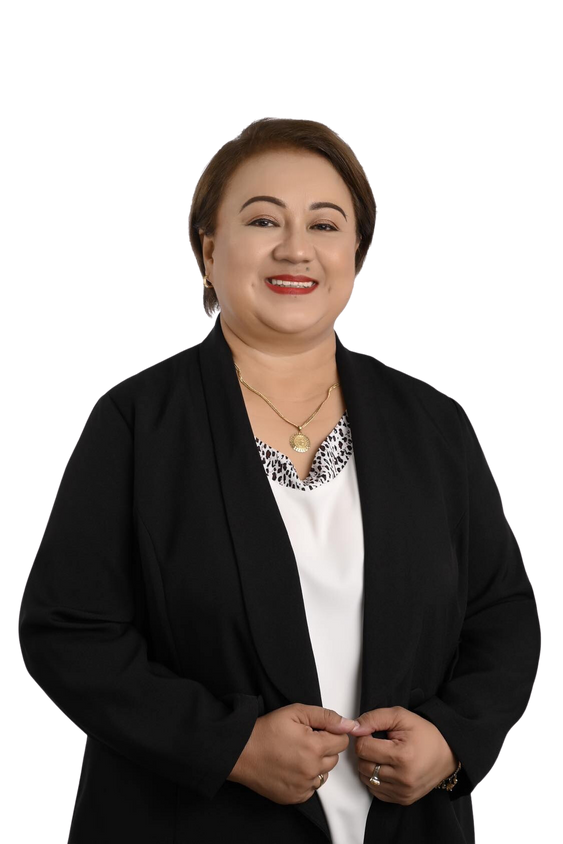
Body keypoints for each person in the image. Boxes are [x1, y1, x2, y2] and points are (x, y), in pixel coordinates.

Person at [17, 116, 541, 843]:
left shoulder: (432, 422)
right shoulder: (137, 421)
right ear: (209, 249)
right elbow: (68, 631)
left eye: (325, 225)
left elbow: (503, 612)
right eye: (263, 220)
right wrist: (229, 746)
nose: (296, 248)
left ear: (356, 257)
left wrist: (453, 739)